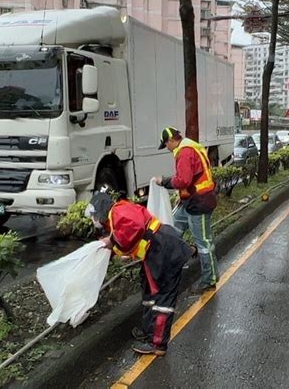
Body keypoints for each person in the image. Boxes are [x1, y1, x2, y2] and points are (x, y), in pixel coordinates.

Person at [85, 191, 192, 356]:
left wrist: (112, 241)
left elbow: (133, 229)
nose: (94, 220)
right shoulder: (116, 215)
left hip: (162, 251)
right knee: (149, 293)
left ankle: (157, 343)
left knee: (163, 298)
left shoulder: (118, 212)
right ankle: (149, 331)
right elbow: (127, 238)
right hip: (155, 252)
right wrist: (111, 246)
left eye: (94, 216)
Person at [154, 127, 219, 293]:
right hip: (191, 200)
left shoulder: (184, 152)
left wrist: (164, 181)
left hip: (199, 203)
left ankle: (209, 280)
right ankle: (170, 266)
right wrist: (181, 195)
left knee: (204, 243)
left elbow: (183, 179)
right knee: (171, 230)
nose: (167, 149)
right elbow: (192, 178)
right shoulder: (190, 146)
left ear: (170, 141)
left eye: (166, 145)